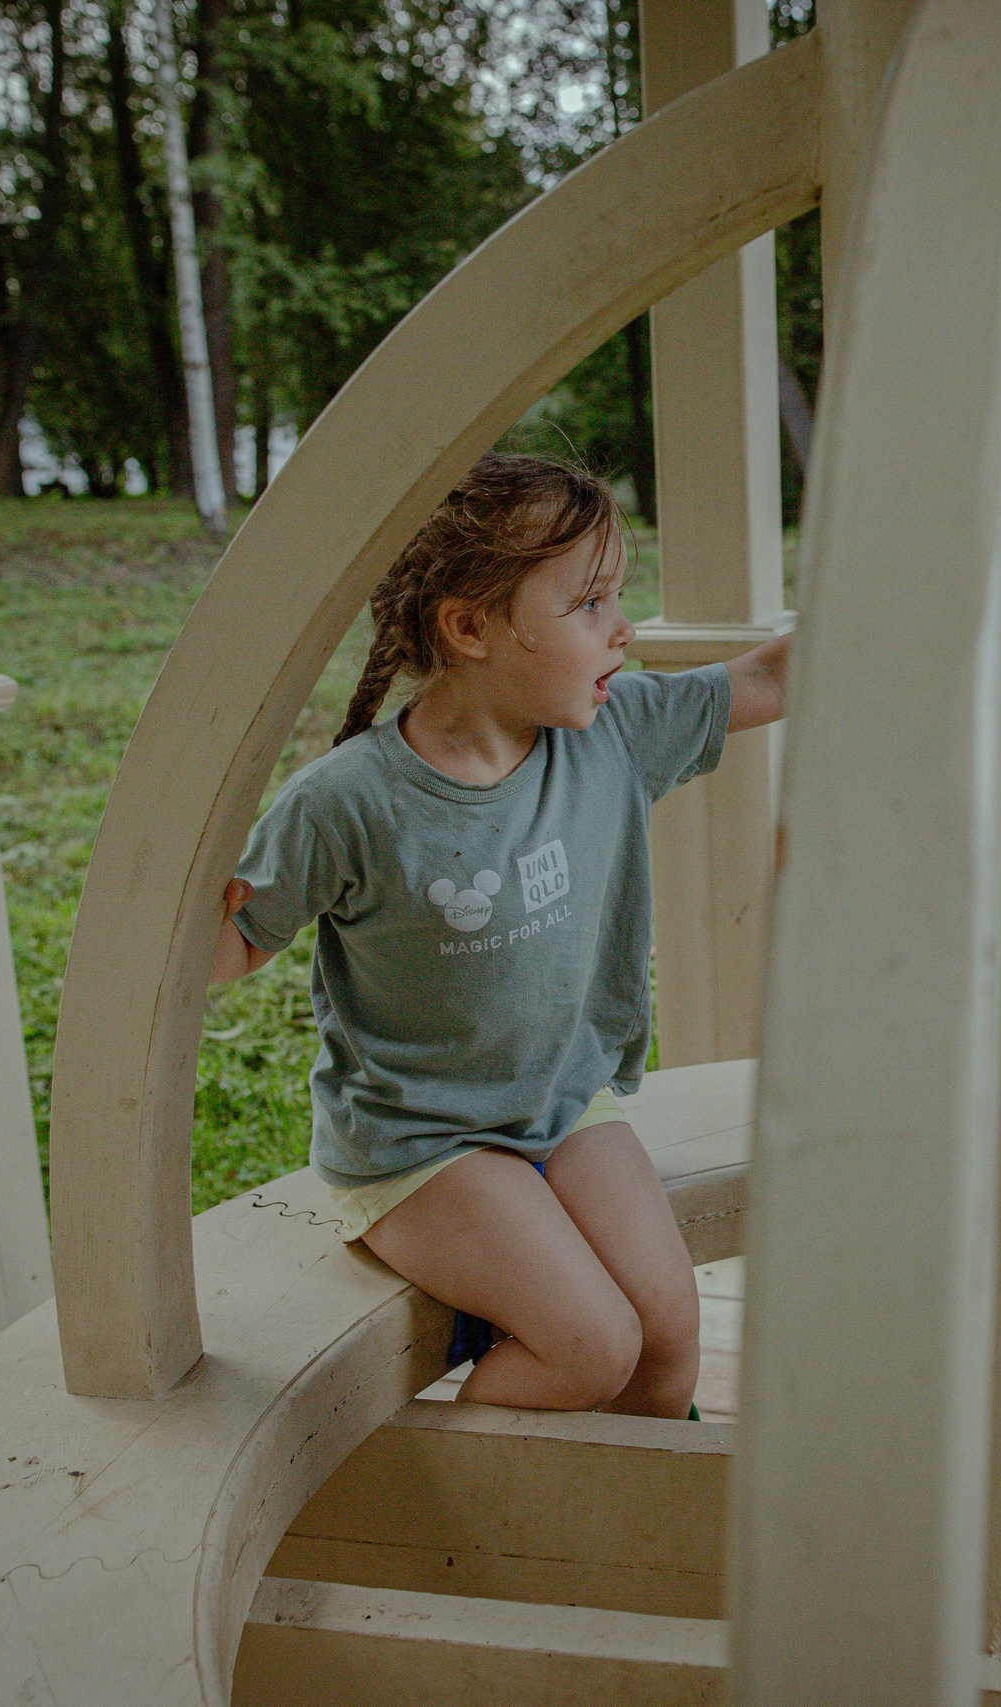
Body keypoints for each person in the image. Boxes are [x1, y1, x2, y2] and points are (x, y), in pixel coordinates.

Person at [209, 453, 790, 1419]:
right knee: (591, 1342)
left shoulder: (613, 734)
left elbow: (769, 675)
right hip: (420, 1144)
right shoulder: (348, 802)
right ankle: (460, 1518)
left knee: (669, 1326)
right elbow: (239, 944)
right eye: (592, 602)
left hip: (560, 1105)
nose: (625, 628)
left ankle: (616, 1544)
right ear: (471, 626)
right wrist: (179, 898)